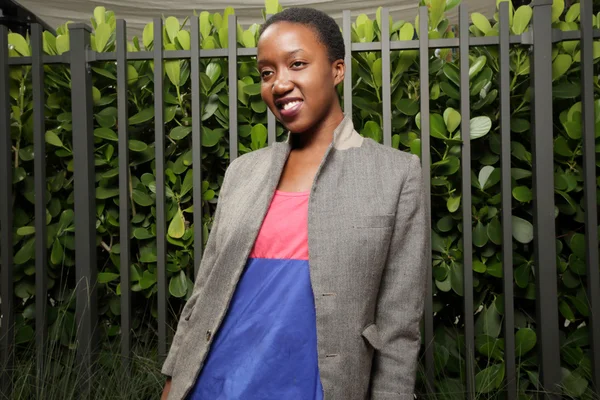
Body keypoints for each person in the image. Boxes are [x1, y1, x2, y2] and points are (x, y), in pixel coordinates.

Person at [161, 7, 428, 400]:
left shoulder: (395, 174)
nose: (279, 83)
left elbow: (398, 328)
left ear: (337, 70)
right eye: (267, 73)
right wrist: (172, 383)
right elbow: (204, 295)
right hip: (215, 384)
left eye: (297, 64)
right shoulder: (243, 173)